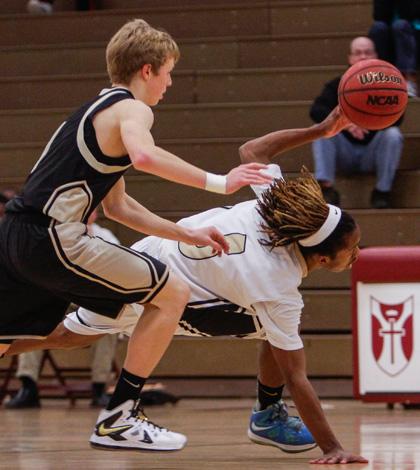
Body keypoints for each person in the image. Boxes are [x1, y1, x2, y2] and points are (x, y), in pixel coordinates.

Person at [6, 107, 368, 464]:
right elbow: (297, 376)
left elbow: (253, 151)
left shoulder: (274, 204)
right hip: (161, 289)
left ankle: (5, 343)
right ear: (321, 258)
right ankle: (267, 416)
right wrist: (333, 447)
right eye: (351, 250)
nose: (356, 254)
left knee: (68, 335)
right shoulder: (278, 285)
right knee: (274, 330)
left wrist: (320, 130)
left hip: (145, 256)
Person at [0, 18, 271, 452]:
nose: (169, 82)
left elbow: (118, 207)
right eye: (168, 71)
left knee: (5, 336)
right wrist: (221, 182)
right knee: (172, 292)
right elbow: (145, 155)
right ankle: (121, 416)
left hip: (14, 237)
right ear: (147, 69)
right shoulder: (132, 109)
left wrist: (185, 233)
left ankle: (120, 413)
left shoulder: (92, 112)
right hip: (54, 237)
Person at [5, 209, 119, 409]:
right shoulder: (54, 232)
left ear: (95, 215)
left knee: (108, 324)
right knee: (29, 324)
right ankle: (28, 385)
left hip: (89, 296)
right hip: (55, 294)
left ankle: (99, 387)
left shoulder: (105, 236)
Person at [310, 36, 404, 209]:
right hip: (343, 153)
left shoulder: (387, 86)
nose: (363, 57)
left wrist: (366, 120)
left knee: (393, 134)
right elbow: (316, 110)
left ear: (376, 56)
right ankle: (327, 189)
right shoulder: (338, 85)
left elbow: (399, 117)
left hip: (373, 153)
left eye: (368, 52)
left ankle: (382, 191)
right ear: (350, 58)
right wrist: (348, 123)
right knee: (319, 130)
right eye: (358, 53)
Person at [369, 0, 420, 97]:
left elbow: (411, 14)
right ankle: (380, 77)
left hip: (413, 36)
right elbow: (379, 16)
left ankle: (407, 78)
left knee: (400, 25)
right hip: (392, 37)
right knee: (377, 27)